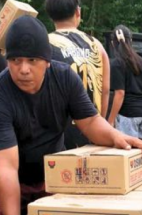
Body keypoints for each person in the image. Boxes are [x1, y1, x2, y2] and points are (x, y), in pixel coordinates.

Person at [0, 16, 142, 215]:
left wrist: (117, 137)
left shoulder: (65, 78)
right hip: (2, 181)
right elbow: (5, 168)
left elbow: (90, 122)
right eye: (15, 60)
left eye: (32, 60)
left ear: (47, 62)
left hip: (52, 176)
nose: (23, 69)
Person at [45, 0, 110, 149]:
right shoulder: (96, 44)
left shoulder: (45, 44)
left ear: (50, 15)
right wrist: (101, 122)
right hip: (92, 131)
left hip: (58, 134)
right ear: (78, 12)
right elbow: (105, 90)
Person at [108, 25, 142, 140]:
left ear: (113, 43)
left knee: (130, 154)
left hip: (128, 113)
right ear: (131, 41)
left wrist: (111, 120)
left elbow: (120, 93)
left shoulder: (117, 63)